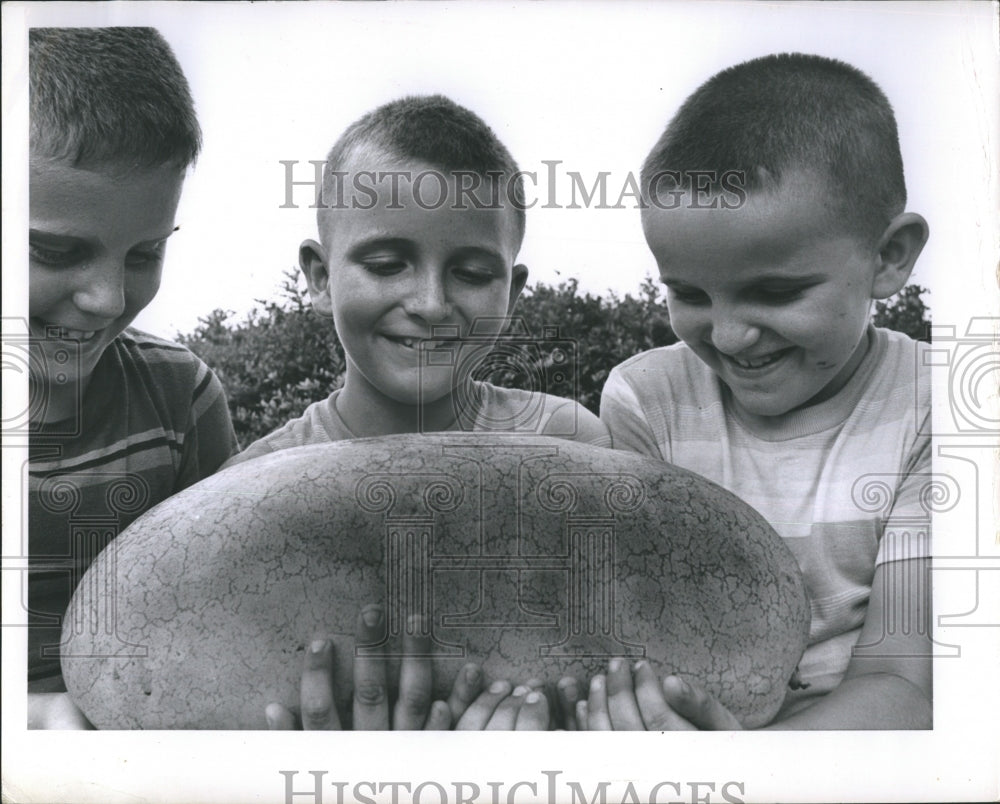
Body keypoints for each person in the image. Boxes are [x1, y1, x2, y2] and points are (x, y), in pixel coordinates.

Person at [592, 53, 933, 729]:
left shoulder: (936, 405)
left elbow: (906, 683)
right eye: (687, 293)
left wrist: (748, 774)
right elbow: (638, 631)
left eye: (774, 293)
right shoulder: (645, 400)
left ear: (889, 258)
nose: (728, 337)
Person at [27, 28, 239, 728]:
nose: (108, 299)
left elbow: (216, 621)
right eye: (55, 251)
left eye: (145, 253)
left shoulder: (180, 399)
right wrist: (35, 720)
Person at [226, 94, 608, 466]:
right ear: (322, 278)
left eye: (472, 275)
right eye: (387, 265)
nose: (430, 305)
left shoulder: (570, 447)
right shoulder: (246, 487)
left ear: (510, 295)